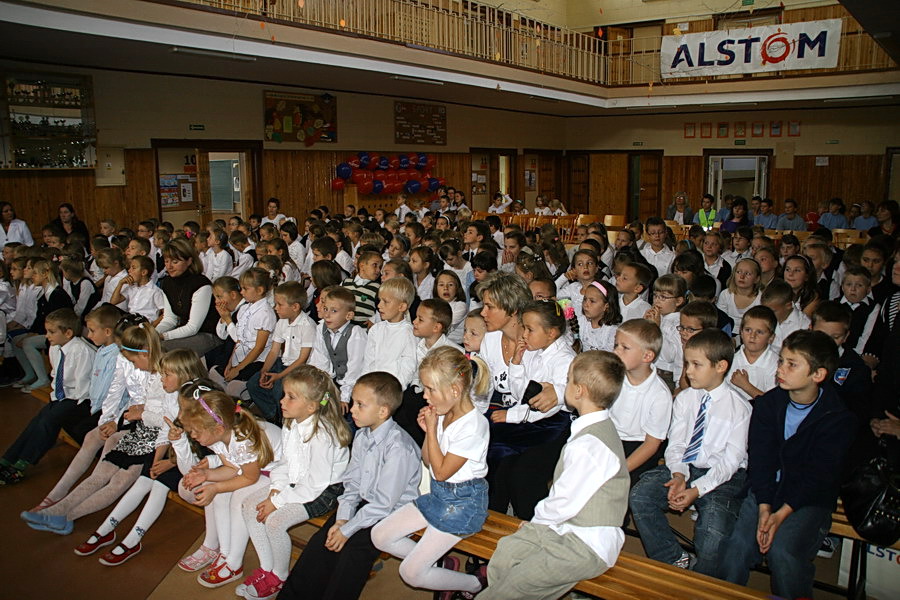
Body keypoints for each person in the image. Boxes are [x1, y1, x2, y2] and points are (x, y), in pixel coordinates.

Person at [480, 351, 629, 600]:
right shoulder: (590, 426)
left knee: (519, 582)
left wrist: (537, 524)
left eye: (568, 379)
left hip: (587, 543)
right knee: (506, 553)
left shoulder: (590, 445)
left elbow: (564, 500)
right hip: (565, 528)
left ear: (579, 391)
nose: (561, 385)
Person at [719, 331, 853, 599]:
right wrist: (765, 508)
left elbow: (820, 476)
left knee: (785, 552)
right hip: (768, 490)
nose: (780, 369)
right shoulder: (769, 404)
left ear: (818, 375)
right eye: (781, 361)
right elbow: (761, 459)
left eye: (792, 364)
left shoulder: (837, 417)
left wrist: (780, 515)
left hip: (807, 498)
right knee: (736, 547)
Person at [278, 372, 420, 600]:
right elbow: (352, 484)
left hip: (392, 512)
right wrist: (343, 519)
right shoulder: (363, 435)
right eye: (353, 402)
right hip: (367, 503)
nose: (352, 409)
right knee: (321, 543)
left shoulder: (398, 448)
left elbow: (384, 504)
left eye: (360, 405)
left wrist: (347, 529)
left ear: (382, 411)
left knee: (352, 553)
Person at [20, 320, 169, 532]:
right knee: (101, 472)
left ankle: (66, 517)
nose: (133, 366)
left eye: (133, 361)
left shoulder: (168, 375)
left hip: (159, 438)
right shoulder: (138, 363)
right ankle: (54, 509)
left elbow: (170, 415)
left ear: (144, 353)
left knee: (119, 480)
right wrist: (115, 420)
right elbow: (121, 397)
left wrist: (139, 413)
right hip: (138, 428)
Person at [372, 347, 490, 597]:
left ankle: (474, 584)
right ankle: (437, 564)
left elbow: (441, 472)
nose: (425, 396)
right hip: (440, 496)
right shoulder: (444, 413)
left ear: (454, 390)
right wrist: (430, 432)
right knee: (380, 536)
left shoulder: (473, 426)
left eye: (430, 389)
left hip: (463, 504)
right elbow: (428, 460)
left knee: (410, 573)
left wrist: (433, 429)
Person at [630, 329, 750, 575]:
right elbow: (677, 444)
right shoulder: (685, 399)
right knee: (641, 495)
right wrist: (678, 475)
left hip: (723, 477)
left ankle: (702, 581)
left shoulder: (740, 408)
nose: (688, 372)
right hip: (686, 466)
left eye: (696, 364)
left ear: (721, 366)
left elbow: (731, 462)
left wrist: (697, 490)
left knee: (712, 533)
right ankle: (674, 558)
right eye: (686, 364)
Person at [77, 349, 207, 565]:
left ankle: (133, 538)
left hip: (194, 458)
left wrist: (170, 462)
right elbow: (167, 429)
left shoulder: (197, 400)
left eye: (167, 375)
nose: (162, 379)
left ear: (185, 375)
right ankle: (107, 528)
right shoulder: (170, 394)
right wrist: (158, 459)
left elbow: (203, 444)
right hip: (174, 452)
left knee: (159, 484)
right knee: (145, 476)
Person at [237, 366, 351, 599]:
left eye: (290, 397)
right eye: (284, 394)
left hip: (324, 490)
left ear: (311, 406)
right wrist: (276, 490)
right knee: (250, 506)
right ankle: (267, 568)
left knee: (275, 522)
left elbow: (313, 486)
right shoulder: (292, 422)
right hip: (297, 482)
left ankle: (279, 577)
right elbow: (285, 463)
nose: (281, 401)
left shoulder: (322, 435)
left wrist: (277, 502)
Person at [173, 383, 281, 587]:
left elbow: (249, 478)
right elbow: (233, 468)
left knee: (238, 499)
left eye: (196, 431)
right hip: (258, 471)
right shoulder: (217, 436)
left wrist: (214, 486)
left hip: (280, 474)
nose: (193, 436)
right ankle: (224, 553)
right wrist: (208, 474)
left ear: (218, 428)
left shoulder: (242, 439)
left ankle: (233, 563)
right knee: (220, 493)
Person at [26, 305, 127, 505]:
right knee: (69, 421)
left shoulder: (117, 356)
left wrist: (108, 417)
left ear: (107, 331)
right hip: (100, 407)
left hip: (114, 413)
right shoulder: (103, 350)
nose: (88, 335)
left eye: (92, 330)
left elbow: (117, 393)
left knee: (82, 427)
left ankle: (106, 467)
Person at [0, 309, 96, 485]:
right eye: (47, 331)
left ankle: (22, 464)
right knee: (39, 418)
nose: (47, 336)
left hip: (83, 399)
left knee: (49, 419)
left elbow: (83, 388)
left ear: (68, 333)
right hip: (65, 396)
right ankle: (8, 459)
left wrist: (60, 404)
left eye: (52, 332)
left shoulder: (81, 350)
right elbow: (56, 376)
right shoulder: (54, 348)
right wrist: (56, 400)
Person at [610, 320, 672, 485]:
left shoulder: (660, 394)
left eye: (625, 348)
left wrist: (621, 470)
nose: (616, 351)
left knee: (626, 488)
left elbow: (651, 444)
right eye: (616, 345)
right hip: (611, 437)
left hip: (639, 447)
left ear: (647, 356)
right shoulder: (613, 378)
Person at [246, 281, 317, 422]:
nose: (275, 308)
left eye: (279, 304)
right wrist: (264, 371)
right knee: (253, 384)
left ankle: (283, 420)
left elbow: (302, 359)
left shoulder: (307, 325)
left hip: (300, 369)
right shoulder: (282, 322)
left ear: (295, 307)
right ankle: (272, 415)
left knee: (280, 390)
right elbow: (274, 351)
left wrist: (278, 376)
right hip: (283, 363)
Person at [209, 268, 277, 400]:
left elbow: (258, 348)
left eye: (245, 289)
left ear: (260, 290)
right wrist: (230, 363)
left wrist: (238, 369)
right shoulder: (245, 308)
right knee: (214, 373)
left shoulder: (265, 313)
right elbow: (239, 340)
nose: (242, 292)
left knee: (233, 388)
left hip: (257, 360)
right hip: (240, 357)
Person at [11, 258, 73, 392]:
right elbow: (40, 319)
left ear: (45, 274)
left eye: (35, 274)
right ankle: (30, 374)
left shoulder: (56, 294)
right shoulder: (44, 293)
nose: (32, 277)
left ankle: (43, 378)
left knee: (28, 343)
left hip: (61, 334)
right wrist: (31, 332)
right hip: (47, 332)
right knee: (16, 340)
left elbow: (59, 322)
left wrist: (34, 334)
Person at [157, 238, 221, 356]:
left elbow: (193, 327)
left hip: (207, 334)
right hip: (184, 332)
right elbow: (170, 319)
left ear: (189, 261)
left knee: (161, 349)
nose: (169, 266)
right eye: (166, 261)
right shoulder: (167, 282)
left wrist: (163, 336)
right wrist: (154, 333)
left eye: (175, 262)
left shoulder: (201, 283)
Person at [308, 287, 368, 410]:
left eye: (334, 311)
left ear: (349, 315)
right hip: (335, 382)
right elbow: (321, 361)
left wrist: (345, 397)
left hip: (355, 384)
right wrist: (323, 386)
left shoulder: (355, 334)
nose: (327, 315)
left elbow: (355, 368)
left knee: (344, 411)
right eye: (325, 309)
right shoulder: (321, 329)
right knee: (322, 405)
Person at [362, 277, 417, 389]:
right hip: (373, 385)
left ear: (402, 307)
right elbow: (368, 362)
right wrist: (366, 384)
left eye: (385, 302)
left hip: (393, 389)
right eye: (380, 300)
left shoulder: (409, 332)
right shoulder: (376, 329)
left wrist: (394, 389)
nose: (379, 305)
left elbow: (408, 366)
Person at [728, 306, 779, 402]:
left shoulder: (775, 364)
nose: (752, 336)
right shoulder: (732, 360)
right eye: (748, 330)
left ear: (771, 337)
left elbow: (772, 404)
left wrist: (745, 385)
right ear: (741, 333)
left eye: (759, 332)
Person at [110, 255, 165, 326]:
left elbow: (165, 314)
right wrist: (120, 284)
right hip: (131, 319)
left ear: (144, 272)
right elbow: (113, 302)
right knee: (107, 307)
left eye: (133, 268)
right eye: (130, 267)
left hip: (143, 323)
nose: (129, 270)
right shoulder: (131, 287)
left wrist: (151, 326)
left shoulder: (155, 291)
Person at [761, 279, 812, 351]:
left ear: (788, 305)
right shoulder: (763, 319)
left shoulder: (804, 325)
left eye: (772, 311)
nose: (767, 314)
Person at [577, 280, 622, 352]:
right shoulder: (581, 321)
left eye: (592, 301)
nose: (586, 304)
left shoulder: (613, 331)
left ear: (606, 306)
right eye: (585, 299)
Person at [341, 249, 381, 327]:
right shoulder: (346, 282)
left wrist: (374, 319)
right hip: (345, 326)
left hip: (364, 329)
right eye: (375, 265)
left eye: (380, 267)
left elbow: (381, 307)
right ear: (362, 266)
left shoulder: (377, 288)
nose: (378, 270)